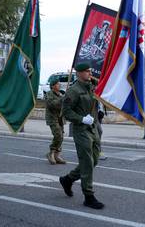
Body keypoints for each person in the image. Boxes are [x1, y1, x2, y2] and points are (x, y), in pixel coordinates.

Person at [59, 63, 105, 209]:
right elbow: (65, 111)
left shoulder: (91, 86)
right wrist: (81, 119)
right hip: (81, 130)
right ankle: (88, 196)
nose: (89, 73)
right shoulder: (74, 90)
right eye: (86, 71)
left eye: (89, 71)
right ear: (78, 73)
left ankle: (68, 179)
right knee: (87, 162)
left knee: (94, 160)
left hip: (93, 129)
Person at [45, 78, 66, 165]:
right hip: (52, 118)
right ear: (53, 86)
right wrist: (62, 100)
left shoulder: (60, 94)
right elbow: (52, 105)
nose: (59, 85)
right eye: (57, 84)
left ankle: (57, 155)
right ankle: (51, 153)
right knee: (58, 135)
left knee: (61, 137)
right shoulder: (49, 94)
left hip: (60, 118)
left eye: (59, 83)